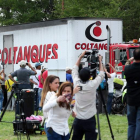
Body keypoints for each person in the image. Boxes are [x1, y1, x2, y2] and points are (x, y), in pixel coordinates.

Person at [72, 51, 104, 140]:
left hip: (78, 119)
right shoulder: (93, 84)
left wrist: (81, 56)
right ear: (90, 76)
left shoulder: (76, 83)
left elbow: (74, 69)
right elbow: (101, 74)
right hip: (90, 119)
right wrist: (100, 61)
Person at [124, 48, 140, 140]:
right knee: (139, 122)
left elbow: (126, 67)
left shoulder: (128, 69)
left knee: (131, 123)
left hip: (131, 99)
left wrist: (128, 61)